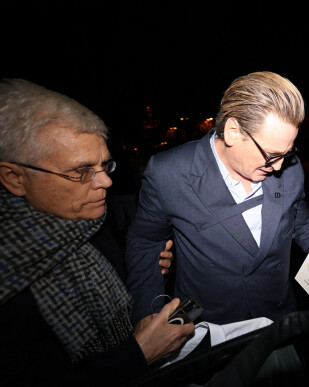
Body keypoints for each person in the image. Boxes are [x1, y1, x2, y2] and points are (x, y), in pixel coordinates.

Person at [0, 79, 196, 385]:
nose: (105, 182)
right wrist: (137, 356)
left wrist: (139, 271)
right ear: (14, 178)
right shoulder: (11, 282)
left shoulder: (89, 226)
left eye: (105, 165)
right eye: (81, 171)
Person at [126, 71, 309, 325]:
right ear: (233, 131)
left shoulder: (290, 167)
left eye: (286, 153)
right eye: (271, 155)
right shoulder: (169, 173)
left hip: (278, 317)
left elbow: (300, 221)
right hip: (205, 326)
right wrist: (148, 316)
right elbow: (144, 242)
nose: (278, 168)